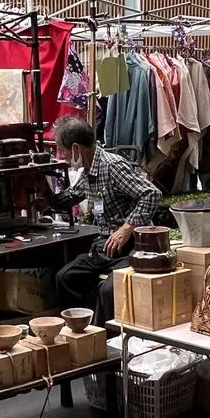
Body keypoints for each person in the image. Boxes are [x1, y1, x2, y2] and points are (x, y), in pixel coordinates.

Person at [52, 119, 162, 324]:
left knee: (109, 290)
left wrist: (127, 228)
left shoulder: (112, 166)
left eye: (62, 150)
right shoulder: (88, 172)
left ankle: (110, 343)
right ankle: (79, 331)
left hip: (130, 248)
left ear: (76, 148)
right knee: (65, 278)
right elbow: (69, 197)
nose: (62, 156)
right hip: (104, 248)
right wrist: (42, 194)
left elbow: (151, 194)